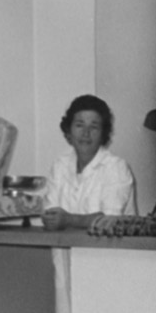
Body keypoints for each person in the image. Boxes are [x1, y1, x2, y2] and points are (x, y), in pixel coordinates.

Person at [42, 94, 136, 230]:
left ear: (103, 133)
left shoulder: (116, 167)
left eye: (94, 127)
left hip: (108, 250)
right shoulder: (60, 166)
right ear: (69, 130)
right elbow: (50, 216)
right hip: (65, 249)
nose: (86, 133)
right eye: (79, 125)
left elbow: (109, 221)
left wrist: (69, 220)